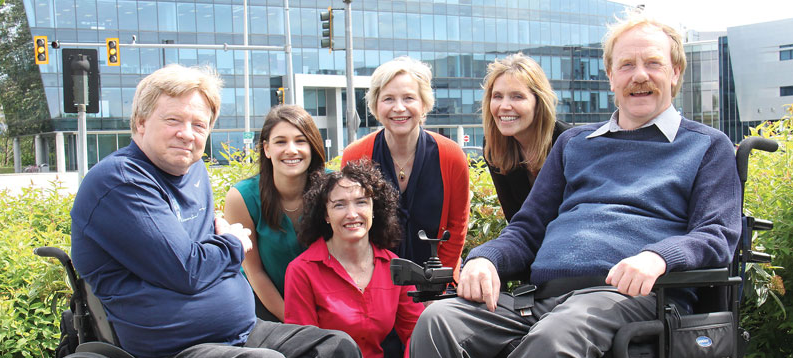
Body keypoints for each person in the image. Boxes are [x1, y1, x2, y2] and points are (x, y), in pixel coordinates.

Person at [405, 11, 742, 358]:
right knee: (440, 322)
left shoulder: (707, 146)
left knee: (553, 335)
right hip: (547, 297)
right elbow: (528, 229)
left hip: (631, 296)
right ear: (609, 75)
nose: (639, 76)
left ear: (676, 72)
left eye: (652, 64)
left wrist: (658, 255)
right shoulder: (576, 144)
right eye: (626, 65)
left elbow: (717, 235)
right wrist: (485, 259)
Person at [69, 64, 363, 358]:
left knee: (337, 351)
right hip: (168, 351)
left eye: (198, 124)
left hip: (238, 332)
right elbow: (187, 269)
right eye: (173, 120)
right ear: (139, 122)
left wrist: (215, 250)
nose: (187, 134)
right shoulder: (120, 182)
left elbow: (196, 259)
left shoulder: (193, 173)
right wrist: (231, 243)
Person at [284, 162, 424, 358]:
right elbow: (302, 353)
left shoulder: (395, 267)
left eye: (361, 202)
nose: (352, 213)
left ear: (375, 208)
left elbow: (417, 332)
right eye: (339, 204)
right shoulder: (302, 270)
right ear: (325, 214)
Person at [342, 56, 469, 277]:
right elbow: (352, 225)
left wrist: (437, 286)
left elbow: (457, 227)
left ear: (424, 103)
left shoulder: (451, 156)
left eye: (409, 98)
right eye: (388, 99)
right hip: (375, 281)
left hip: (438, 284)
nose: (399, 108)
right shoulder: (355, 156)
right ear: (375, 105)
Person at [223, 104, 326, 322]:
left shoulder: (334, 188)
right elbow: (254, 272)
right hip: (265, 304)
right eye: (281, 142)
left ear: (313, 146)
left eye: (300, 141)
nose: (291, 150)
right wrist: (297, 323)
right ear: (267, 149)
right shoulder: (241, 197)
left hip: (327, 303)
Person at [481, 52, 571, 222]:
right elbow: (515, 219)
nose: (504, 106)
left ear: (538, 102)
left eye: (517, 96)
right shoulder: (493, 146)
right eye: (498, 96)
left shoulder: (569, 143)